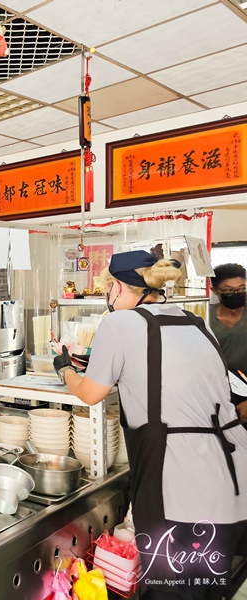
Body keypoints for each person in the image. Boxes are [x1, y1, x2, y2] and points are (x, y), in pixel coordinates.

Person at [54, 250, 247, 599]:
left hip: (180, 488)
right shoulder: (195, 321)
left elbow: (90, 393)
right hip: (233, 478)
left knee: (172, 591)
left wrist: (65, 369)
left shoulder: (119, 323)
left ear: (115, 287)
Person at [210, 263, 247, 422]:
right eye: (228, 290)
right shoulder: (205, 316)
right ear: (215, 290)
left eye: (241, 288)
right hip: (216, 392)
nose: (236, 293)